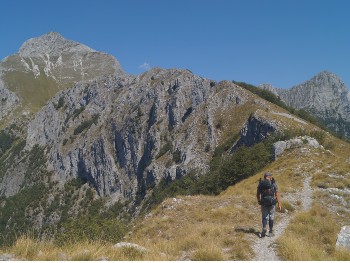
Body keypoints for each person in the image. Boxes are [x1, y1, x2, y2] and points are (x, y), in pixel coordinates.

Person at [256, 172, 282, 237]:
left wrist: (259, 201)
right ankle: (270, 231)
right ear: (270, 176)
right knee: (271, 216)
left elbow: (258, 194)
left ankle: (264, 227)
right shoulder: (273, 183)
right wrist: (279, 204)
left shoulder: (261, 183)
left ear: (264, 177)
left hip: (264, 203)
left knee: (264, 216)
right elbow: (277, 194)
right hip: (272, 203)